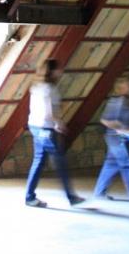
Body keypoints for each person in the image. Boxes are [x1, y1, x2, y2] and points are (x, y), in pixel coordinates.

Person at [24, 58, 84, 208]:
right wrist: (58, 123)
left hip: (35, 126)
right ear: (52, 71)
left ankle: (30, 197)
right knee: (60, 162)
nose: (61, 71)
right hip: (45, 128)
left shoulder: (36, 86)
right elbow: (48, 111)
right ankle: (71, 197)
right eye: (58, 69)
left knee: (39, 161)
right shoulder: (49, 89)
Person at [93, 76, 129, 204]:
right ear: (120, 89)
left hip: (125, 137)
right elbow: (105, 120)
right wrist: (124, 129)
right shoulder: (116, 102)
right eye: (127, 86)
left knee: (111, 165)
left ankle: (99, 193)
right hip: (116, 138)